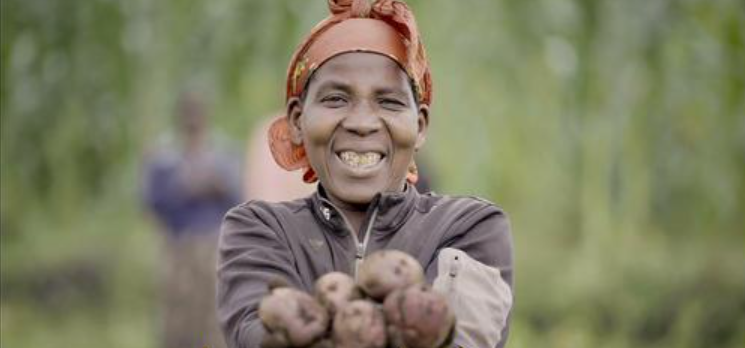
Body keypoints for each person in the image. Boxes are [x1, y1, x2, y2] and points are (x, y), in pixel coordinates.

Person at [216, 1, 513, 347]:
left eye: (389, 102)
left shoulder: (469, 226)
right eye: (336, 98)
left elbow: (467, 338)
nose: (361, 123)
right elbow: (256, 334)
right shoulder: (257, 228)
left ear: (419, 126)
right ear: (297, 121)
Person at [142, 92, 241, 348]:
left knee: (213, 309)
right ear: (180, 117)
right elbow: (151, 202)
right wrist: (181, 188)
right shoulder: (164, 157)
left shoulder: (223, 152)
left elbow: (238, 197)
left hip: (214, 242)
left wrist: (214, 185)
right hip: (179, 242)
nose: (193, 118)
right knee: (177, 311)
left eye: (197, 111)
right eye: (189, 112)